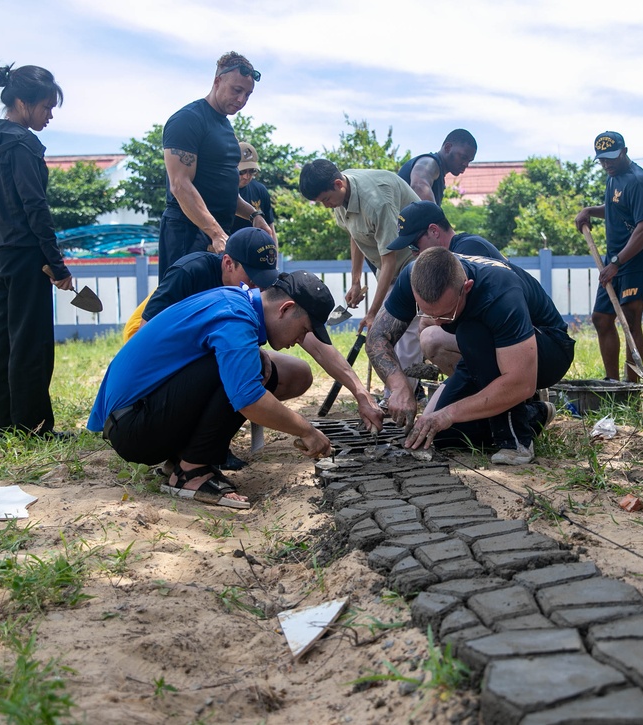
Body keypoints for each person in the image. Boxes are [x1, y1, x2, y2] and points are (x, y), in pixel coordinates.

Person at [88, 272, 342, 509]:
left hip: (134, 418)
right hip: (134, 429)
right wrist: (306, 430)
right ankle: (191, 473)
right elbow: (248, 399)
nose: (299, 340)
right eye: (304, 330)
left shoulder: (234, 301)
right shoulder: (236, 317)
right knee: (245, 373)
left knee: (252, 364)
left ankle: (180, 461)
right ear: (285, 309)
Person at [126, 227, 382, 431]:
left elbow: (315, 342)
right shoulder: (191, 273)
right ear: (228, 264)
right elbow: (143, 340)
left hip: (218, 349)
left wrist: (360, 392)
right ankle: (192, 448)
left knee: (297, 372)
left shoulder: (261, 285)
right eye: (252, 279)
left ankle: (214, 429)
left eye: (265, 279)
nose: (257, 288)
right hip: (158, 350)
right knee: (243, 369)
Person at [368, 247, 573, 465]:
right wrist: (399, 387)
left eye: (447, 314)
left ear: (467, 287)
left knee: (471, 333)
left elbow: (521, 383)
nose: (437, 322)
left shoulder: (499, 291)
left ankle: (515, 440)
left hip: (548, 351)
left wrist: (449, 413)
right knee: (438, 433)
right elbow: (376, 338)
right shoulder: (413, 275)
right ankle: (534, 413)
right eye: (428, 312)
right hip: (483, 351)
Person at [0, 63, 73, 439]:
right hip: (26, 255)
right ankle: (34, 428)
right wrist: (57, 264)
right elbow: (36, 208)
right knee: (31, 343)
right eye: (46, 107)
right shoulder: (22, 144)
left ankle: (5, 425)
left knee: (3, 340)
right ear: (22, 102)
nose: (50, 115)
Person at [299, 159, 424, 392]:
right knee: (388, 332)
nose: (326, 206)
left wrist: (374, 313)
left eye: (326, 199)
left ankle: (399, 397)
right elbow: (355, 234)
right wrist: (355, 281)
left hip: (417, 257)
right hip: (391, 263)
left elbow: (390, 260)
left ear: (339, 184)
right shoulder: (340, 196)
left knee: (404, 330)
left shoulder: (377, 202)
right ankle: (398, 392)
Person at [159, 52, 274, 279]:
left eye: (248, 94)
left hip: (217, 235)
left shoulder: (225, 128)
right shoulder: (188, 119)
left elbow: (226, 192)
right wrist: (216, 233)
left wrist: (255, 215)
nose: (241, 99)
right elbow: (180, 185)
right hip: (187, 232)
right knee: (185, 308)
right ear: (217, 81)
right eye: (236, 90)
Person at [574, 132, 643, 383]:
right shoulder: (613, 179)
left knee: (631, 320)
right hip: (614, 260)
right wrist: (590, 210)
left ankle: (630, 387)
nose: (607, 164)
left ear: (624, 151)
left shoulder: (638, 181)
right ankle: (612, 383)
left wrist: (616, 263)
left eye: (611, 158)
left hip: (636, 260)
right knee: (601, 318)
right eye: (602, 160)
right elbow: (617, 208)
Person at [387, 200, 508, 376]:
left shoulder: (469, 249)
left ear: (434, 231)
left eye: (414, 245)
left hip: (515, 339)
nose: (413, 253)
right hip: (495, 334)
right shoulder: (465, 247)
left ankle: (482, 387)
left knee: (431, 336)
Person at [398, 130, 478, 204]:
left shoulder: (438, 173)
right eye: (463, 157)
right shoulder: (429, 162)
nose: (466, 164)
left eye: (469, 161)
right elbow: (419, 186)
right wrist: (437, 219)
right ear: (448, 148)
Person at [230, 142, 276, 240]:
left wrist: (273, 253)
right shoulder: (218, 190)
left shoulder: (260, 190)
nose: (247, 176)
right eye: (241, 172)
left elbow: (270, 228)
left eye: (252, 171)